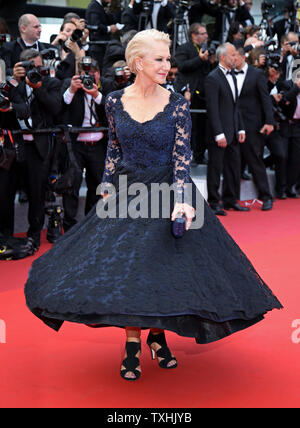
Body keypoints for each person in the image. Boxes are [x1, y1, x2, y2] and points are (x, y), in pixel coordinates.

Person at [25, 30, 282, 382]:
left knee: (162, 269)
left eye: (168, 58)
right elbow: (114, 148)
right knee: (128, 272)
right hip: (128, 192)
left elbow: (181, 158)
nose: (167, 65)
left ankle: (157, 336)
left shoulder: (176, 102)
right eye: (159, 59)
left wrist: (182, 201)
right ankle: (133, 341)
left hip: (166, 193)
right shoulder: (113, 101)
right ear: (138, 63)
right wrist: (105, 185)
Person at [205, 42, 249, 215]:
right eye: (232, 55)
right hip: (220, 133)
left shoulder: (232, 76)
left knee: (234, 167)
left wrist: (241, 129)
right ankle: (214, 202)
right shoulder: (212, 78)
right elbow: (213, 109)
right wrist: (219, 134)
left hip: (233, 131)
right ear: (223, 57)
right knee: (215, 168)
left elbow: (235, 106)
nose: (235, 57)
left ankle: (231, 200)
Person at [234, 46, 274, 211]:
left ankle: (266, 197)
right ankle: (232, 199)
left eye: (234, 56)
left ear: (243, 57)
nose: (231, 60)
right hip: (233, 123)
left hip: (252, 124)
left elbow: (265, 100)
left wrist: (269, 121)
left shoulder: (257, 74)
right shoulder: (226, 74)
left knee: (256, 160)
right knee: (233, 162)